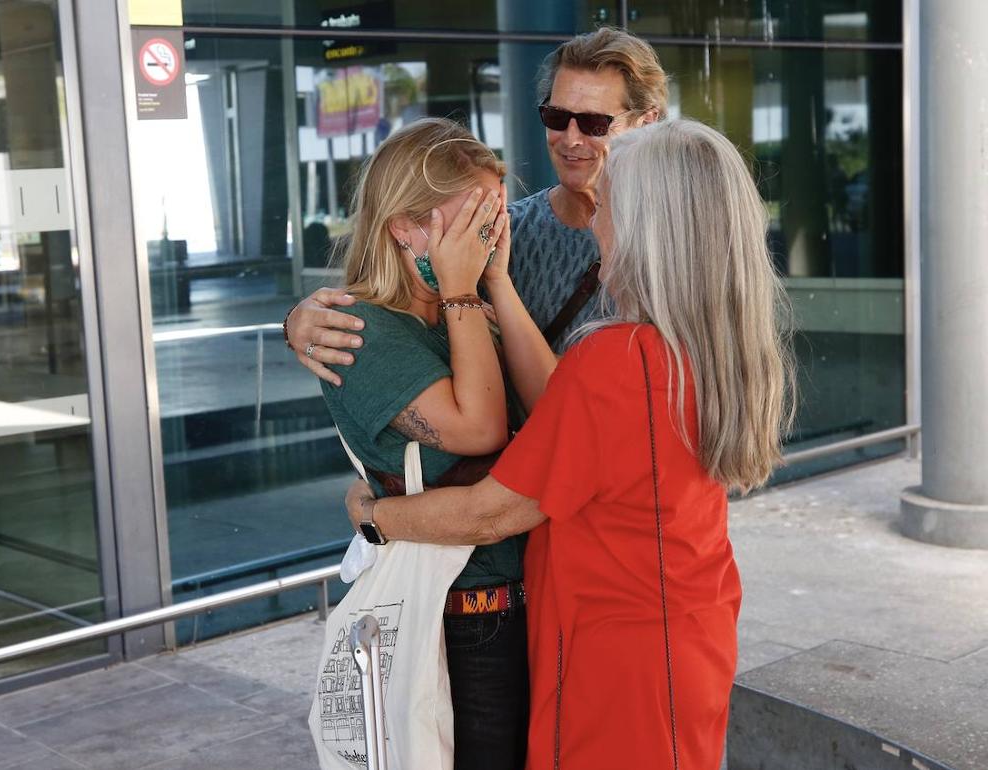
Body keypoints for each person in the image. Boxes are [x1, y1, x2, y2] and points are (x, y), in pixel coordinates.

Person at [347, 119, 795, 770]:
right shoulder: (696, 349)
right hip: (689, 637)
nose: (592, 225)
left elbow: (490, 512)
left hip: (617, 667)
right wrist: (495, 281)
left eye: (606, 205)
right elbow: (568, 404)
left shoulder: (619, 361)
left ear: (647, 227)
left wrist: (372, 516)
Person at [319, 117, 529, 770]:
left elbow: (554, 410)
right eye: (470, 221)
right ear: (404, 227)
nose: (488, 236)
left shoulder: (460, 314)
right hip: (462, 626)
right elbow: (479, 430)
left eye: (494, 217)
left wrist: (492, 282)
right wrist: (466, 290)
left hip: (526, 602)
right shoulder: (360, 329)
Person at [285, 27, 668, 379]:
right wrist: (302, 321)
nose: (569, 139)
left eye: (594, 123)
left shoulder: (678, 244)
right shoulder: (500, 229)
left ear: (647, 123)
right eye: (556, 116)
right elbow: (401, 309)